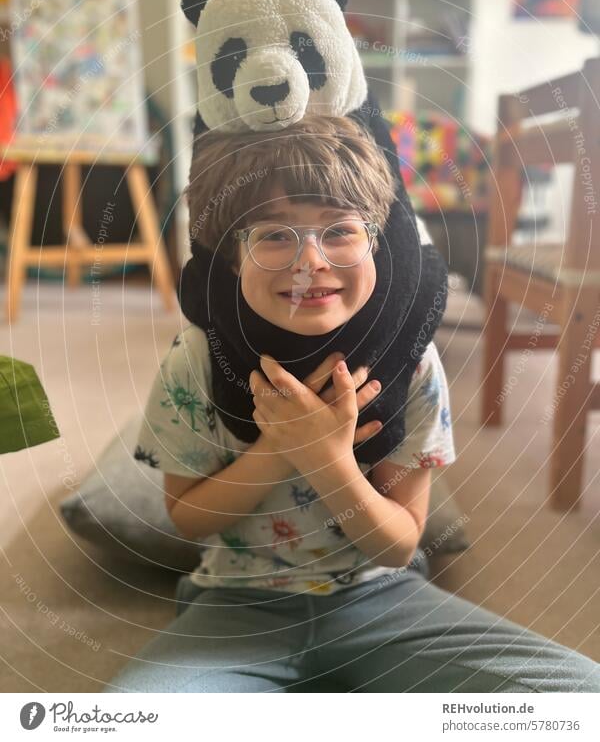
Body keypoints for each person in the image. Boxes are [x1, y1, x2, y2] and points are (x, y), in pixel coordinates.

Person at [104, 116, 600, 693]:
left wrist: (328, 460)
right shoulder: (196, 358)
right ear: (231, 260)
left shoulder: (408, 361)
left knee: (576, 696)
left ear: (378, 243)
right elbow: (188, 518)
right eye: (272, 235)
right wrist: (280, 449)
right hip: (233, 606)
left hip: (384, 599)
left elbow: (398, 544)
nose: (310, 260)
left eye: (338, 230)